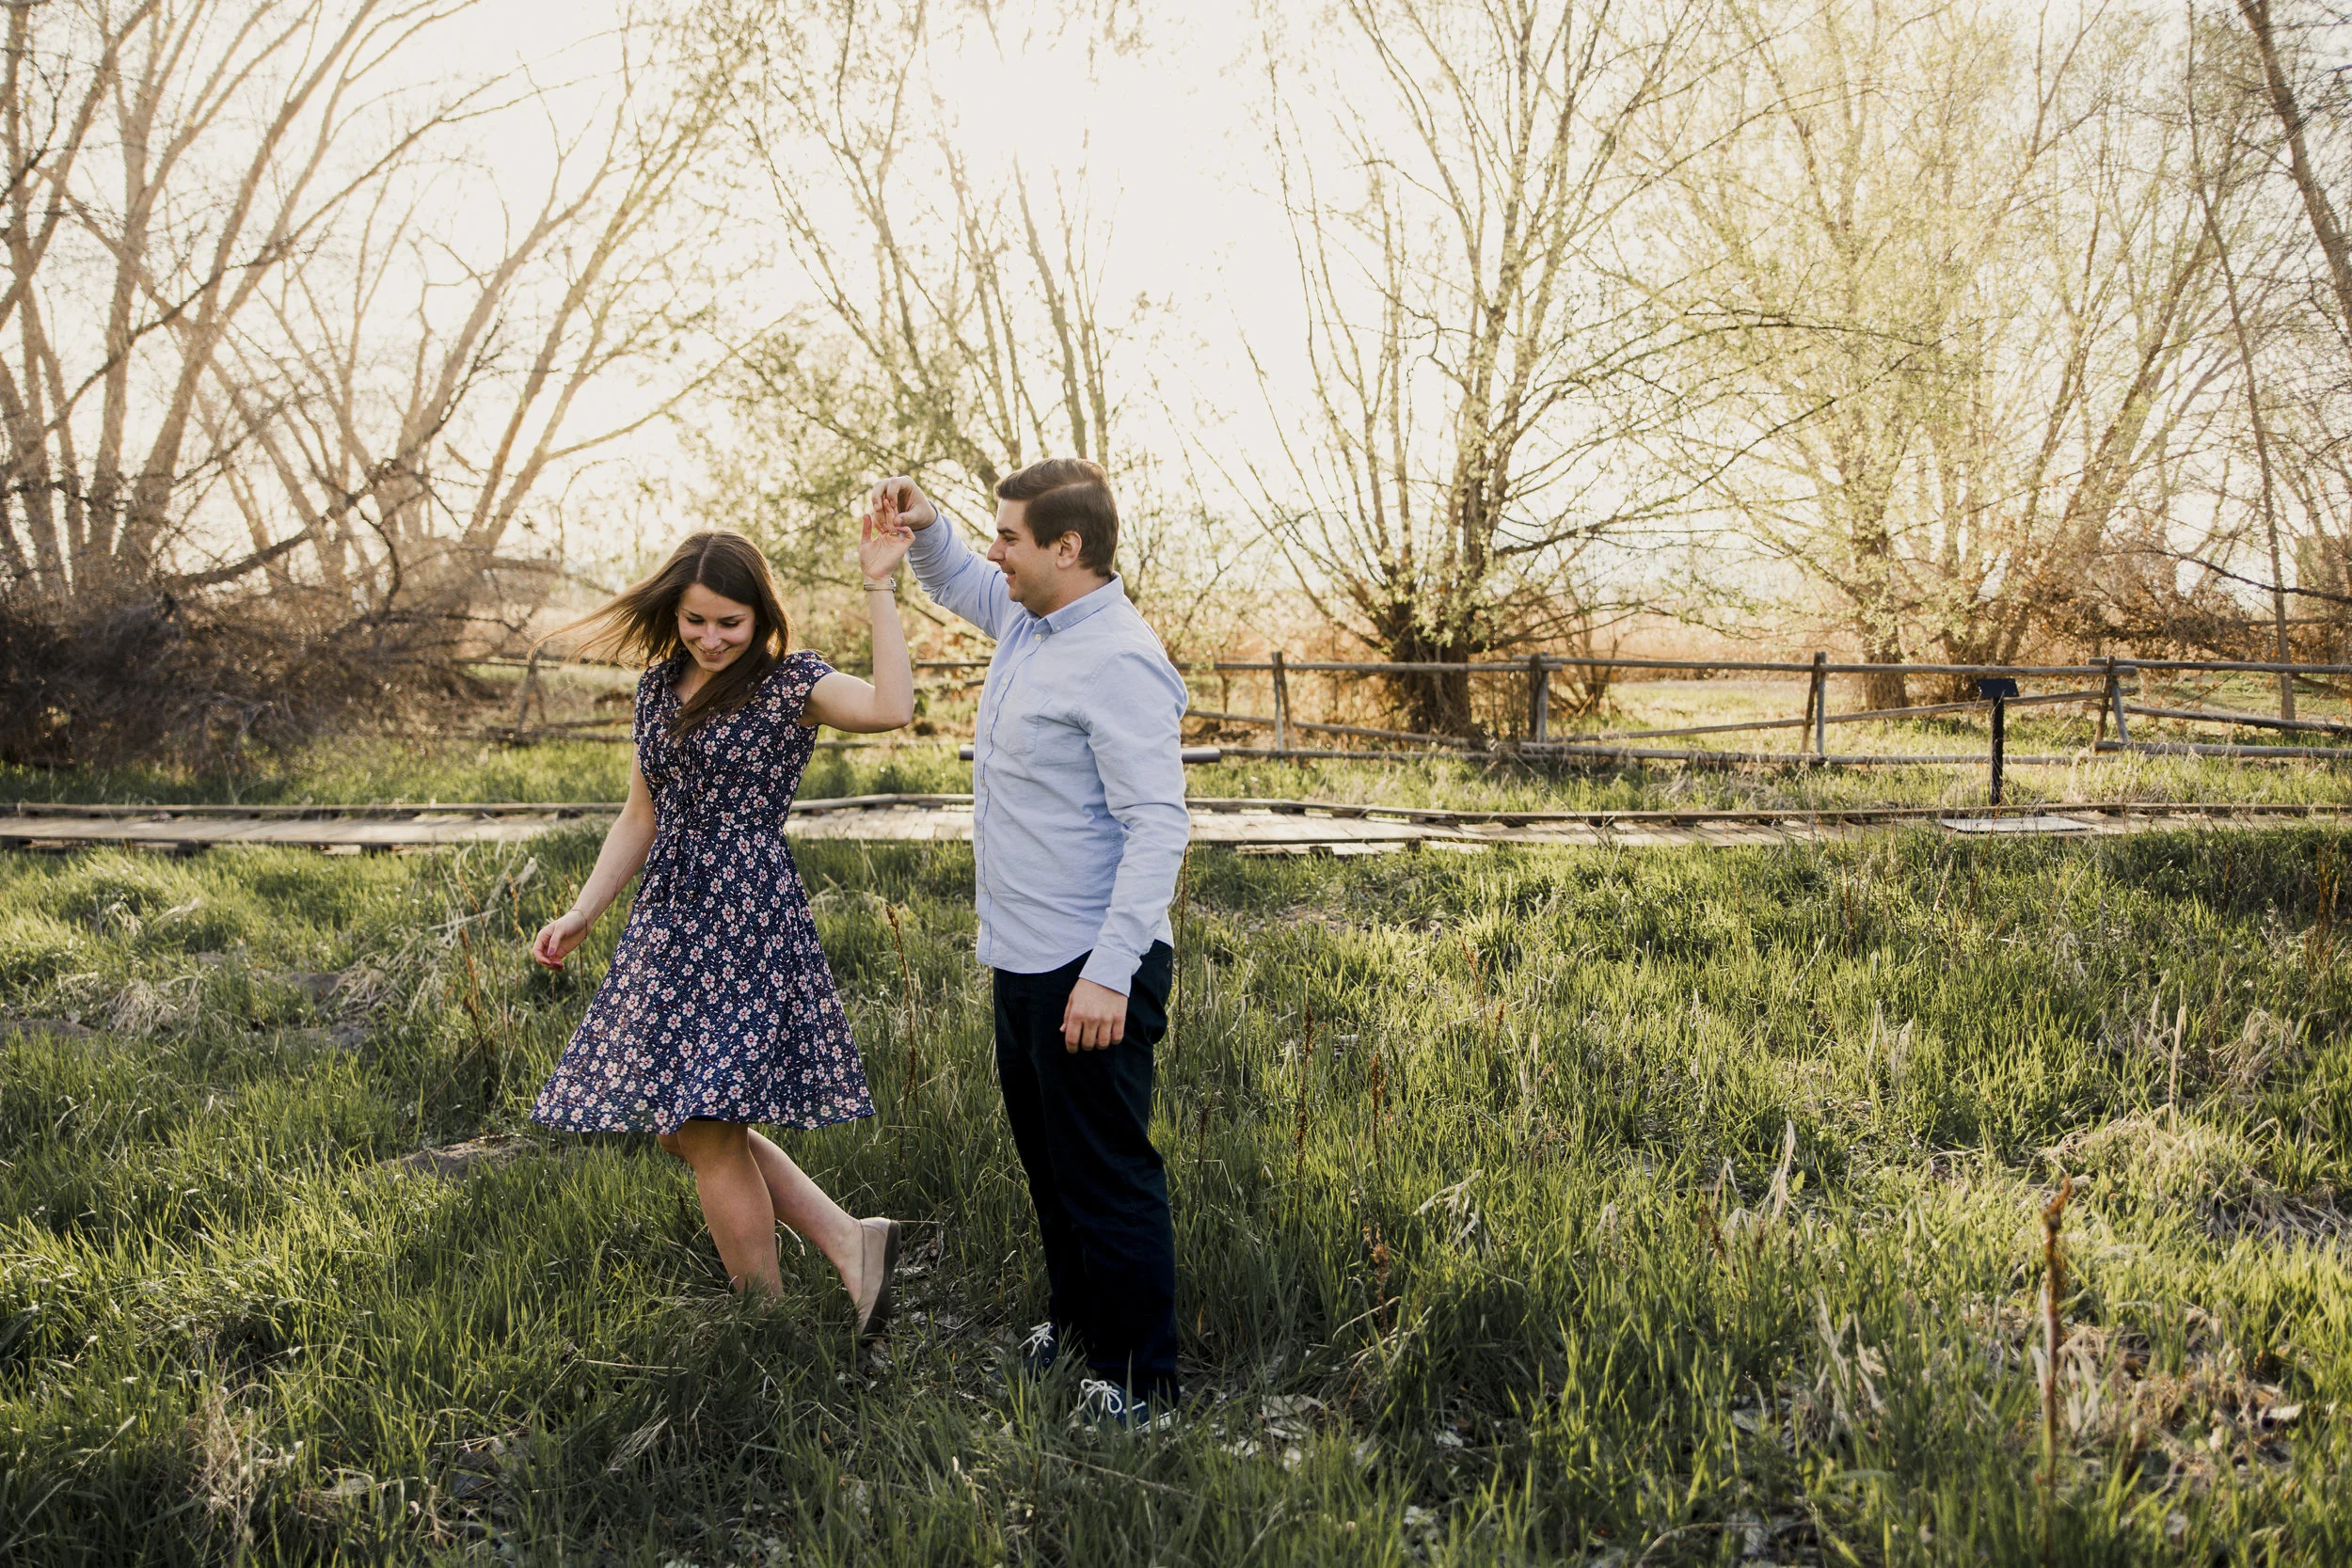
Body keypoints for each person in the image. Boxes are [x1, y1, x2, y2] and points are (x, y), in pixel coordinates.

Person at [526, 522, 915, 1335]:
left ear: (760, 616)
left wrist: (880, 582)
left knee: (703, 1123)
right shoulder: (655, 689)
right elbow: (641, 816)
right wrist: (583, 909)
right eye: (695, 619)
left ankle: (764, 1325)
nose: (710, 637)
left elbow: (892, 707)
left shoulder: (789, 685)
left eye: (729, 622)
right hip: (671, 921)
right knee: (689, 1124)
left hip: (746, 917)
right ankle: (852, 1242)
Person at [867, 460, 1190, 1428]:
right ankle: (1081, 1323)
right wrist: (926, 530)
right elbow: (962, 579)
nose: (994, 551)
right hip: (1022, 952)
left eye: (1010, 536)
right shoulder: (1033, 621)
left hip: (1090, 965)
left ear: (1068, 547)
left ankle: (1139, 1379)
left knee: (1105, 1169)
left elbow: (1158, 827)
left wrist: (1106, 975)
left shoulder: (1118, 658)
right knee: (1050, 1163)